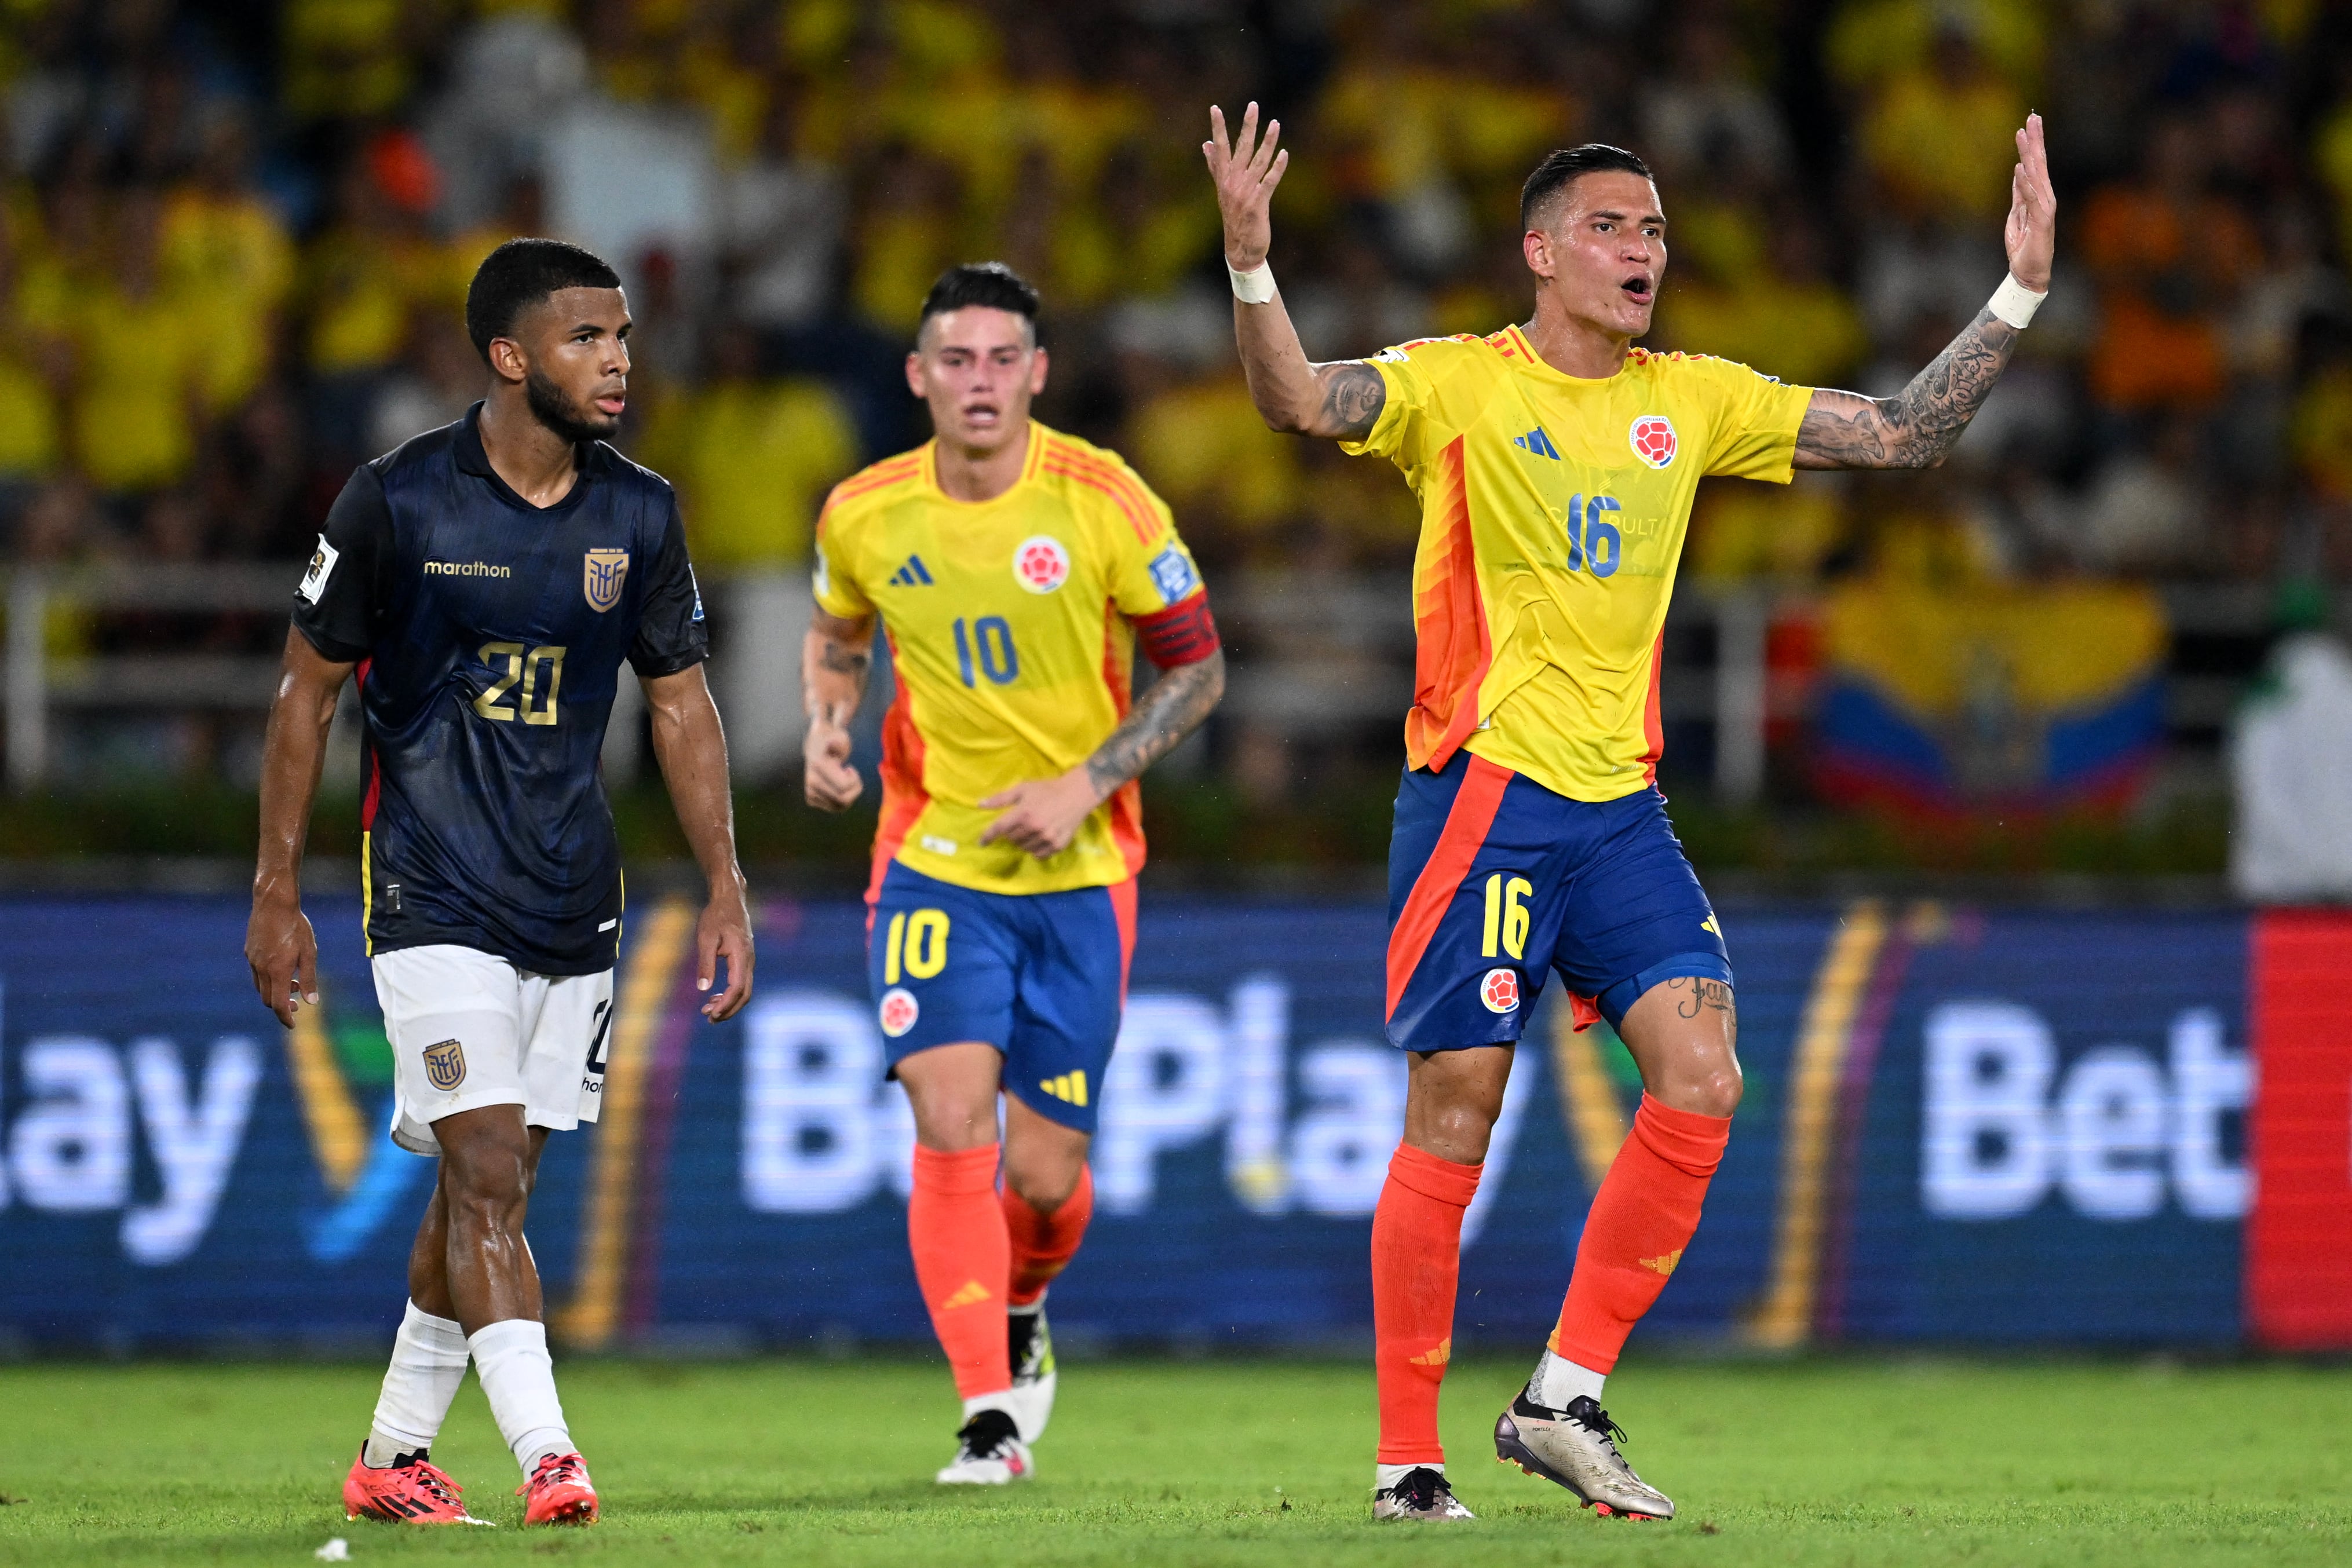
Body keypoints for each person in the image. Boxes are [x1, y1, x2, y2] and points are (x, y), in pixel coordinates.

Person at [1204, 103, 2055, 1522]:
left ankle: (1558, 1395)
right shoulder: (1457, 386)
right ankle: (1406, 1466)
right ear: (1538, 252)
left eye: (1653, 226)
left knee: (1705, 1074)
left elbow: (1902, 433)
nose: (1640, 247)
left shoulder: (1694, 396)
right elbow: (1299, 399)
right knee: (1457, 1110)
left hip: (1619, 810)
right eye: (1609, 224)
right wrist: (1249, 265)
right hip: (1482, 790)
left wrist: (2019, 285)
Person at [244, 238, 755, 1528]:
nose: (619, 358)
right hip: (427, 887)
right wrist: (273, 887)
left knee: (491, 1192)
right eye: (586, 338)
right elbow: (304, 695)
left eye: (623, 334)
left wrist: (728, 885)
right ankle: (552, 1457)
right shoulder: (396, 500)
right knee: (479, 1167)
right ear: (510, 357)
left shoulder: (638, 511)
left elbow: (684, 708)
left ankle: (391, 1457)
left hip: (573, 902)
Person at [804, 262, 1225, 1485]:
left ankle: (1024, 1303)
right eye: (955, 359)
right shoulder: (864, 513)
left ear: (1036, 373)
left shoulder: (1105, 499)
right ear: (918, 376)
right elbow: (835, 632)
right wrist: (829, 727)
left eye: (1001, 360)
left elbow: (1197, 670)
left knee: (1043, 1182)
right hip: (933, 859)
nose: (977, 381)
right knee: (947, 1122)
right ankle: (985, 1413)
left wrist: (1086, 782)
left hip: (1084, 868)